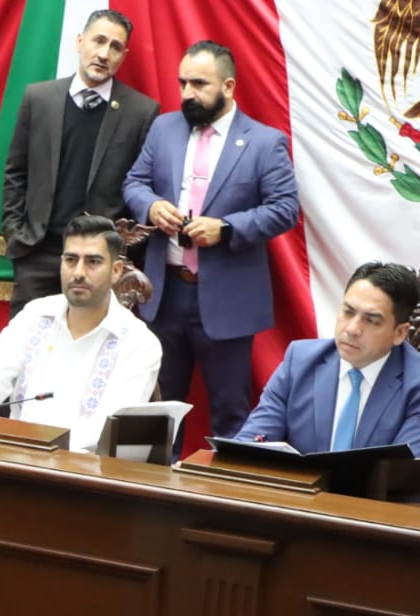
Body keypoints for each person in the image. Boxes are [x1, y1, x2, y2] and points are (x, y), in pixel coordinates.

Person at [122, 40, 299, 441]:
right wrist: (151, 206)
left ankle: (224, 482)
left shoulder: (264, 142)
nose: (187, 93)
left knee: (230, 411)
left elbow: (285, 208)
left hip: (227, 299)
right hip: (164, 295)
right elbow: (134, 183)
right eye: (183, 83)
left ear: (229, 86)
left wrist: (227, 228)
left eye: (199, 84)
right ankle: (153, 481)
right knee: (156, 409)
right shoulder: (164, 128)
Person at [0, 214, 161, 453]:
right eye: (71, 260)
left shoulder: (139, 343)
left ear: (116, 271)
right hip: (16, 457)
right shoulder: (36, 315)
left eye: (93, 262)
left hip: (84, 469)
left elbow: (108, 429)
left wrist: (45, 450)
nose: (78, 272)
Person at [3, 9, 159, 317]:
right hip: (38, 254)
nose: (104, 54)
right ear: (79, 41)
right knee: (31, 345)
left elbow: (141, 183)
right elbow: (16, 174)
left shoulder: (141, 112)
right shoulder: (38, 98)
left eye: (115, 47)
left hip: (100, 262)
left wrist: (121, 252)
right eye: (98, 40)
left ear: (124, 56)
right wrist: (16, 235)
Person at [234, 262, 420, 457]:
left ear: (400, 333)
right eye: (348, 312)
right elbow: (252, 442)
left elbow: (405, 474)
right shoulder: (300, 362)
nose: (352, 329)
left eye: (371, 320)